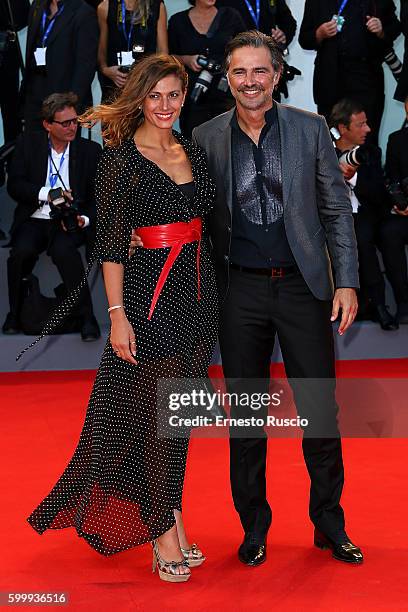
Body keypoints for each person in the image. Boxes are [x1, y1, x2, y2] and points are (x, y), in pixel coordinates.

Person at [26, 54, 219, 582]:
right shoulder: (120, 161)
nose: (165, 105)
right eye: (154, 95)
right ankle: (161, 531)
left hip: (198, 297)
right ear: (139, 97)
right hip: (148, 299)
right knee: (152, 422)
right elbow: (112, 245)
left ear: (184, 97)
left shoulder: (194, 152)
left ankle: (171, 511)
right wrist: (117, 317)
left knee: (178, 418)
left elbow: (206, 220)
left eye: (174, 95)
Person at [192, 31, 363, 567]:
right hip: (236, 288)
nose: (250, 82)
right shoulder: (204, 137)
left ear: (277, 73)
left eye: (260, 71)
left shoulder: (310, 130)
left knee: (320, 413)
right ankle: (254, 526)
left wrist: (347, 281)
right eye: (239, 72)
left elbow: (336, 210)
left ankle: (329, 524)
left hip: (301, 287)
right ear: (226, 75)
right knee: (245, 419)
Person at [3, 92, 101, 340]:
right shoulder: (28, 144)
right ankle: (14, 314)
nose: (72, 127)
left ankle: (87, 317)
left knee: (64, 252)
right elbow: (15, 185)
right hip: (35, 217)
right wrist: (47, 193)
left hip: (69, 221)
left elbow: (98, 197)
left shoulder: (90, 150)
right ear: (48, 124)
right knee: (20, 253)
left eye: (75, 121)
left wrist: (84, 220)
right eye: (65, 123)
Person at [330, 98, 398, 330]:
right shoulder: (324, 151)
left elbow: (379, 195)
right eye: (361, 124)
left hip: (365, 216)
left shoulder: (371, 153)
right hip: (331, 219)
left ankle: (377, 303)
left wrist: (353, 177)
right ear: (343, 128)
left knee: (361, 235)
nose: (368, 129)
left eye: (367, 123)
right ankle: (372, 304)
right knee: (355, 234)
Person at [299, 0, 401, 144]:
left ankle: (368, 165)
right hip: (330, 81)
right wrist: (319, 33)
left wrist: (382, 30)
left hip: (366, 81)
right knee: (330, 142)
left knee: (367, 141)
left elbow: (395, 27)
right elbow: (304, 39)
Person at [168, 0, 245, 137]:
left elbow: (245, 49)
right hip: (193, 97)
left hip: (225, 95)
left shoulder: (231, 16)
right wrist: (187, 59)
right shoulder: (178, 21)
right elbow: (168, 56)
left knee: (228, 142)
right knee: (194, 144)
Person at [21, 0, 98, 132]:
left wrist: (71, 104)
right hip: (34, 98)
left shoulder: (84, 13)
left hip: (64, 102)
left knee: (64, 151)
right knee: (33, 149)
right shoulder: (37, 6)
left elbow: (85, 66)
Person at [97, 0, 168, 103]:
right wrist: (106, 70)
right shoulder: (105, 6)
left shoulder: (157, 6)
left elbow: (163, 52)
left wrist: (152, 77)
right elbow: (101, 48)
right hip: (115, 84)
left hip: (145, 85)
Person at [379, 95, 408, 324]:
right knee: (389, 233)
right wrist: (399, 202)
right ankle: (404, 302)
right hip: (405, 212)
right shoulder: (397, 139)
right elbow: (390, 177)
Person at [0, 0, 29, 143]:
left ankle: (12, 160)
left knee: (11, 110)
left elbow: (23, 16)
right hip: (7, 48)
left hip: (6, 49)